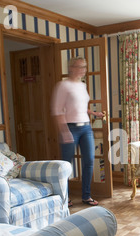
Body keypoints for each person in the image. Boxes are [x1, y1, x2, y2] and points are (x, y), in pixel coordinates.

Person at [51, 56, 104, 207]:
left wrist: (93, 113)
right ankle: (65, 197)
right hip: (70, 128)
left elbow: (79, 106)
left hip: (86, 127)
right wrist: (64, 131)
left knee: (88, 161)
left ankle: (86, 196)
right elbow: (57, 110)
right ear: (71, 67)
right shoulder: (63, 85)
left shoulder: (82, 85)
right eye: (79, 66)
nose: (82, 70)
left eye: (84, 67)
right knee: (66, 165)